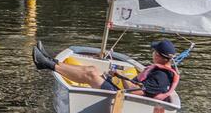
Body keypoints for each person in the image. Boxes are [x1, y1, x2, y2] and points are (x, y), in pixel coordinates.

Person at [32, 40, 180, 101]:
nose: (152, 53)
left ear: (159, 56)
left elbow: (134, 92)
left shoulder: (161, 76)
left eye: (154, 51)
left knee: (90, 74)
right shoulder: (161, 71)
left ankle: (46, 64)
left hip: (124, 100)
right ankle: (51, 61)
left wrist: (121, 77)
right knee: (93, 68)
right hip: (123, 95)